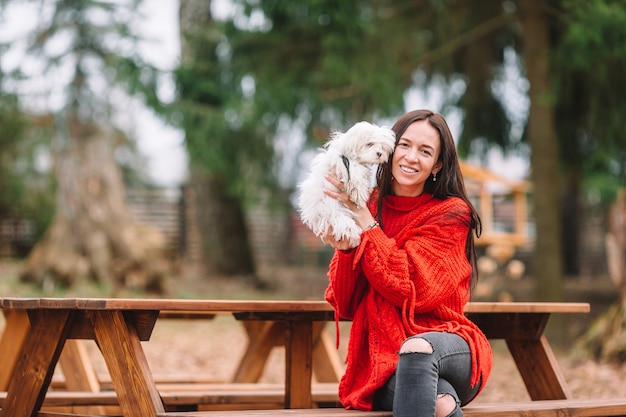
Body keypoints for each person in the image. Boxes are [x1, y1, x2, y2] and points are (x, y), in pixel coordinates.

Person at [322, 109, 492, 417]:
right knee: (439, 402)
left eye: (425, 151)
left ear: (437, 164)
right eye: (405, 145)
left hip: (448, 346)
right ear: (389, 148)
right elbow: (345, 304)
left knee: (418, 351)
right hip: (383, 363)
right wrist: (347, 251)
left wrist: (365, 222)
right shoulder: (369, 203)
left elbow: (412, 289)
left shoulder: (451, 214)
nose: (411, 157)